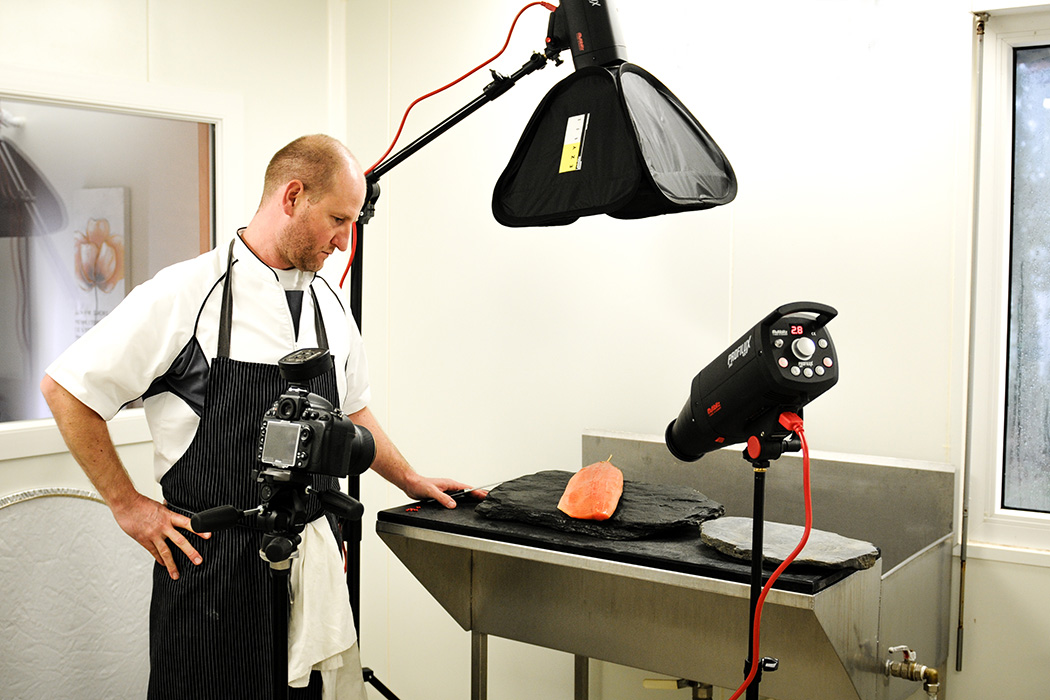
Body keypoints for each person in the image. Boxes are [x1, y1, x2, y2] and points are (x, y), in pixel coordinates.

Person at [41, 134, 474, 699]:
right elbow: (67, 389)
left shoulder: (329, 304)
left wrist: (409, 478)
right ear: (292, 196)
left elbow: (352, 408)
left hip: (310, 559)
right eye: (338, 221)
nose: (345, 244)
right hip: (212, 565)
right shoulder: (187, 292)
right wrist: (130, 507)